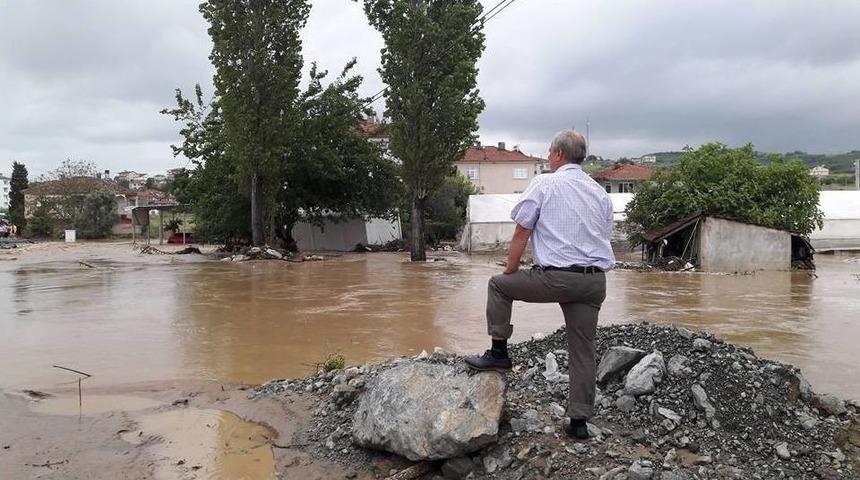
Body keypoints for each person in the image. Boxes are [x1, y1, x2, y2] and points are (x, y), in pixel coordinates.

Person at [464, 129, 615, 440]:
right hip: (593, 282)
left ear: (558, 155)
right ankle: (578, 422)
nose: (548, 157)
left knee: (497, 286)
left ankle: (498, 352)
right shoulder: (599, 192)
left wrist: (510, 270)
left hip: (556, 278)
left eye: (549, 152)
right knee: (583, 350)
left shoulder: (545, 182)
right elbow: (604, 235)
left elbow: (522, 233)